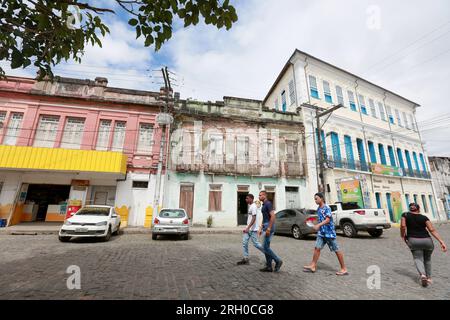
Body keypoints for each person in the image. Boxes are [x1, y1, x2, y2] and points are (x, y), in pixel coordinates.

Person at [401, 202, 447, 287]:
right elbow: (432, 230)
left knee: (418, 258)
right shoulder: (424, 217)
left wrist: (402, 235)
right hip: (427, 241)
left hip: (413, 240)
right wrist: (441, 241)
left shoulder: (405, 215)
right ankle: (429, 278)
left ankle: (422, 275)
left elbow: (403, 226)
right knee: (427, 259)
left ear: (409, 209)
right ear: (419, 209)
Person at [303, 192, 348, 276]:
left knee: (336, 250)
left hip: (329, 233)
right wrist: (314, 223)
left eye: (316, 198)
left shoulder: (326, 207)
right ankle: (313, 265)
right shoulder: (318, 209)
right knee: (317, 248)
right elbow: (321, 219)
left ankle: (344, 268)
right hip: (321, 233)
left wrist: (318, 225)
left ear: (321, 198)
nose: (315, 200)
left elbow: (327, 220)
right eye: (314, 199)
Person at [258, 190, 283, 272]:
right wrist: (261, 227)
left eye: (260, 195)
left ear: (265, 196)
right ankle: (269, 266)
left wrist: (268, 228)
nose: (259, 197)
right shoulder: (264, 205)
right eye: (259, 195)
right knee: (266, 247)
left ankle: (277, 260)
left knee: (265, 247)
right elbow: (264, 217)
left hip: (269, 226)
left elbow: (273, 216)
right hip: (265, 225)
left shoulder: (268, 204)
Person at [237, 194, 265, 265]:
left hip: (253, 229)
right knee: (244, 242)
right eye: (246, 198)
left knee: (256, 244)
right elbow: (250, 218)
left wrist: (248, 228)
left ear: (251, 199)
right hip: (249, 229)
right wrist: (247, 228)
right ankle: (245, 258)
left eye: (247, 198)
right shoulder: (250, 206)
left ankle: (268, 253)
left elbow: (254, 218)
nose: (245, 200)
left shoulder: (253, 206)